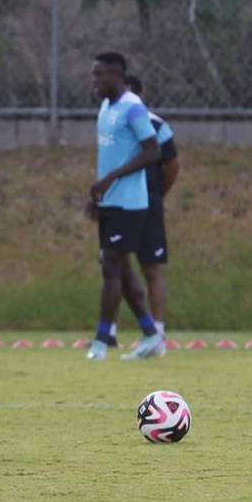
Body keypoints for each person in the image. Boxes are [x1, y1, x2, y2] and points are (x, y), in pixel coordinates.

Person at [85, 52, 164, 361]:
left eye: (99, 75)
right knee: (121, 267)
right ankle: (149, 334)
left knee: (111, 267)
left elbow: (153, 151)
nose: (94, 82)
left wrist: (112, 179)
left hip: (131, 203)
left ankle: (102, 340)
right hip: (111, 201)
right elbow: (111, 156)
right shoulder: (106, 107)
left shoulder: (133, 108)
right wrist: (99, 195)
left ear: (116, 75)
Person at [116, 73, 179, 341]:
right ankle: (110, 331)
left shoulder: (156, 124)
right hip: (119, 204)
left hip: (148, 204)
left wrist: (157, 195)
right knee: (115, 264)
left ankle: (158, 331)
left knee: (151, 267)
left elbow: (172, 165)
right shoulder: (113, 121)